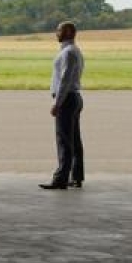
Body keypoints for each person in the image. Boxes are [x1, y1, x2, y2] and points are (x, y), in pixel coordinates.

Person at [41, 20, 85, 190]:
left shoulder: (68, 53)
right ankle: (76, 176)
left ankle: (61, 178)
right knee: (74, 140)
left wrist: (57, 103)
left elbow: (65, 80)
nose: (56, 33)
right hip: (74, 97)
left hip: (67, 99)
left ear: (67, 32)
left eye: (59, 30)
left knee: (64, 140)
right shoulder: (74, 51)